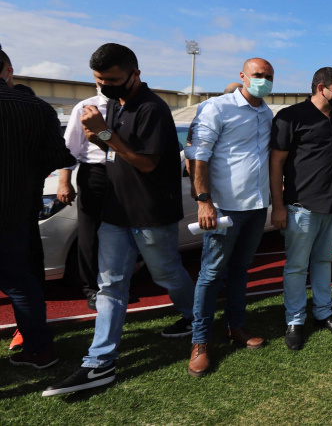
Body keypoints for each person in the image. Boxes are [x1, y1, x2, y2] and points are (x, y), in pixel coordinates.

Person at [44, 43, 196, 396]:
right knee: (110, 284)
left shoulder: (152, 108)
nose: (104, 86)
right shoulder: (110, 104)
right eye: (98, 79)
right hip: (115, 209)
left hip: (149, 211)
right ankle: (99, 362)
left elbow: (146, 163)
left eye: (111, 79)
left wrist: (105, 134)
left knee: (165, 271)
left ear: (135, 74)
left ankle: (195, 319)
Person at [185, 58, 274, 377]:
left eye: (268, 77)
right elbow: (197, 156)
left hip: (255, 206)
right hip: (223, 207)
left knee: (240, 269)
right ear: (243, 77)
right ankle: (200, 341)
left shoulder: (266, 112)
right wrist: (204, 201)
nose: (263, 80)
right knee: (211, 273)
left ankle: (235, 326)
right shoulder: (217, 108)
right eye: (257, 75)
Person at [1, 46, 75, 370]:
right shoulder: (38, 108)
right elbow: (57, 158)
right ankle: (40, 349)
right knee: (22, 282)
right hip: (17, 209)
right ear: (8, 70)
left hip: (16, 209)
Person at [270, 67, 332, 351]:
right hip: (301, 206)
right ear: (321, 88)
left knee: (323, 262)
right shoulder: (290, 117)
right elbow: (276, 164)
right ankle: (294, 320)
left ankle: (323, 312)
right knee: (296, 266)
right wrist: (278, 206)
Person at [58, 84, 111, 311]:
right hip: (95, 172)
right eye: (101, 80)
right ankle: (91, 289)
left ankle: (114, 285)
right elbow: (69, 148)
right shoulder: (85, 107)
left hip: (127, 172)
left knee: (121, 232)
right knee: (90, 233)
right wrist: (64, 181)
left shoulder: (133, 107)